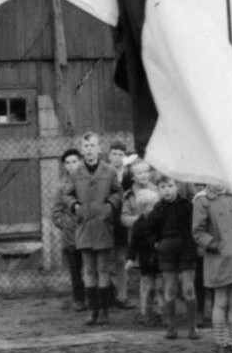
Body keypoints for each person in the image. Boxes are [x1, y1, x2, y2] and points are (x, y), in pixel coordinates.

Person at [64, 131, 123, 325]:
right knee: (88, 269)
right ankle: (92, 310)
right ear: (82, 150)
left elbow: (118, 192)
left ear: (99, 148)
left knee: (103, 268)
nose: (89, 149)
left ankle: (104, 310)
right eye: (86, 146)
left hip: (103, 226)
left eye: (93, 146)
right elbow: (67, 195)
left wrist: (109, 207)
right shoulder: (76, 173)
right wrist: (76, 206)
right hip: (84, 227)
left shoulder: (109, 171)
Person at [193, 184, 232, 353]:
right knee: (221, 302)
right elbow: (198, 232)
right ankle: (221, 346)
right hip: (219, 259)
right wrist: (215, 245)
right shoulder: (202, 200)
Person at [146, 174, 199, 341]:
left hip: (186, 249)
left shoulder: (188, 206)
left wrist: (195, 245)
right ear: (159, 190)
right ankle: (171, 327)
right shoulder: (158, 209)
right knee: (170, 289)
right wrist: (156, 243)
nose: (166, 190)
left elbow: (196, 227)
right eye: (162, 187)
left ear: (177, 186)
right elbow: (149, 230)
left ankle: (193, 328)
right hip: (167, 252)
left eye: (169, 186)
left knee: (188, 289)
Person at [51, 147, 86, 312]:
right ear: (64, 166)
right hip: (71, 235)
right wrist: (66, 224)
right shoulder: (61, 187)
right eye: (68, 163)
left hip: (89, 232)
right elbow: (56, 213)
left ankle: (100, 297)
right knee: (75, 269)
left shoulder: (88, 181)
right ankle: (79, 300)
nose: (71, 165)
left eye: (74, 161)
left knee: (94, 267)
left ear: (80, 162)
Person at [125, 187, 165, 326]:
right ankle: (147, 314)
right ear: (143, 208)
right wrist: (130, 258)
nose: (155, 209)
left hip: (161, 261)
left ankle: (163, 313)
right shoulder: (138, 225)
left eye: (155, 205)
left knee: (161, 287)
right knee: (148, 288)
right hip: (146, 262)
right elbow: (133, 243)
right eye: (151, 206)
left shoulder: (161, 222)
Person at [107, 140, 135, 309]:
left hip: (123, 222)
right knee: (107, 259)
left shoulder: (129, 175)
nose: (117, 157)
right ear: (109, 155)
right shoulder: (104, 173)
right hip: (107, 221)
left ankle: (122, 295)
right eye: (114, 154)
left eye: (120, 155)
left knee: (121, 258)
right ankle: (109, 294)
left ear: (124, 157)